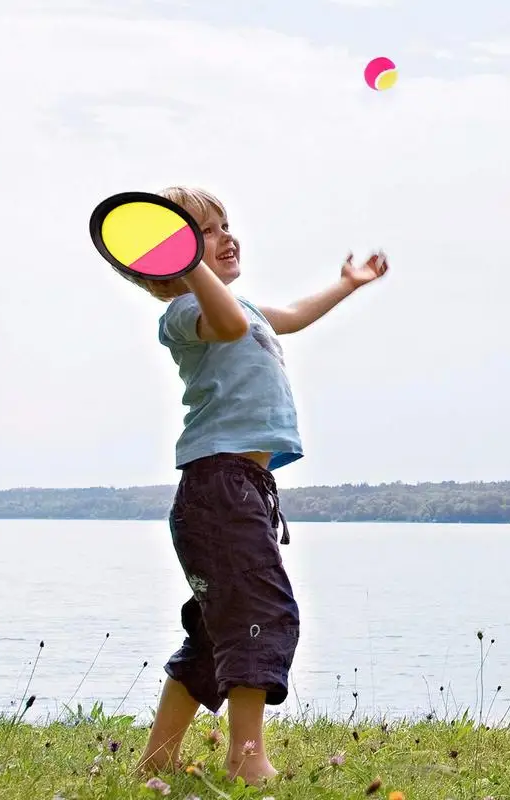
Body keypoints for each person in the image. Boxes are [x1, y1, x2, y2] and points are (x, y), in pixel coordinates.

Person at [131, 186, 389, 785]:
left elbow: (292, 316)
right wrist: (190, 264)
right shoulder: (183, 314)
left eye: (226, 225)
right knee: (258, 612)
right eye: (208, 230)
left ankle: (156, 758)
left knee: (213, 628)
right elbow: (222, 323)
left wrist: (348, 284)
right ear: (171, 256)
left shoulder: (239, 305)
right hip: (217, 488)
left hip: (241, 485)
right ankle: (247, 757)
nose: (227, 236)